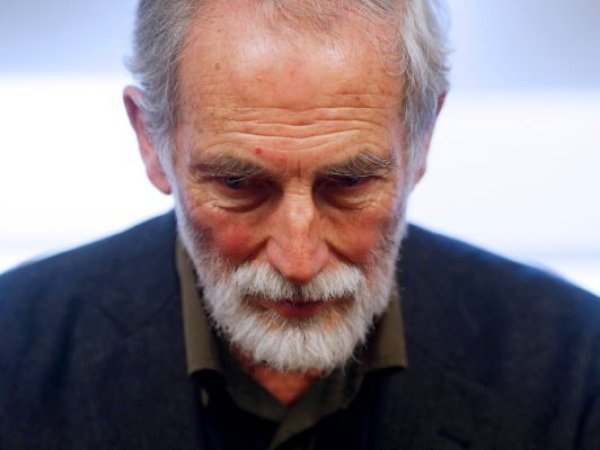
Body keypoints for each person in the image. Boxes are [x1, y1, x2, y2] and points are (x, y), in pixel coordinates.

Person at [1, 0, 599, 448]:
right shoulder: (14, 355)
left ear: (422, 140)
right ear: (151, 142)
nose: (298, 259)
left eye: (350, 183)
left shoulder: (573, 367)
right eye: (238, 184)